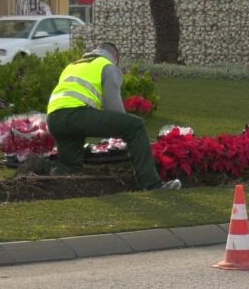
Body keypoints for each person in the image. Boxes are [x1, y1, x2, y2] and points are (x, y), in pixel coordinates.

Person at [18, 42, 181, 191]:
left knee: (70, 167)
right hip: (76, 114)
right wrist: (124, 132)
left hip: (55, 118)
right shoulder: (107, 65)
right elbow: (115, 109)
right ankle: (152, 184)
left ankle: (39, 164)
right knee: (135, 126)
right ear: (115, 57)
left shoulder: (72, 66)